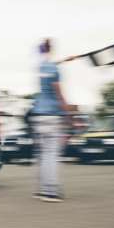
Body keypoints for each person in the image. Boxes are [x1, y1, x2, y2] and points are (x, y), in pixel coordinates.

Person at [30, 39, 76, 203]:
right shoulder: (54, 68)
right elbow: (58, 93)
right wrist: (69, 115)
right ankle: (51, 191)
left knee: (42, 155)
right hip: (52, 116)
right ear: (51, 49)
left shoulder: (41, 66)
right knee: (51, 154)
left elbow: (50, 69)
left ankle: (42, 189)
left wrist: (65, 60)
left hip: (38, 115)